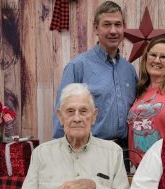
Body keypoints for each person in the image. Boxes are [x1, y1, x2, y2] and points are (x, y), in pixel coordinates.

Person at [52, 1, 137, 153]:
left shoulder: (129, 70)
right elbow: (62, 112)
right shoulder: (78, 66)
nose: (113, 31)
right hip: (88, 151)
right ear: (96, 28)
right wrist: (62, 154)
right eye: (106, 24)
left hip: (123, 153)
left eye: (118, 24)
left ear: (123, 27)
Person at [127, 36, 165, 166]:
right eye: (153, 55)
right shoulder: (140, 90)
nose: (157, 60)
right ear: (146, 58)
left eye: (163, 57)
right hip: (140, 169)